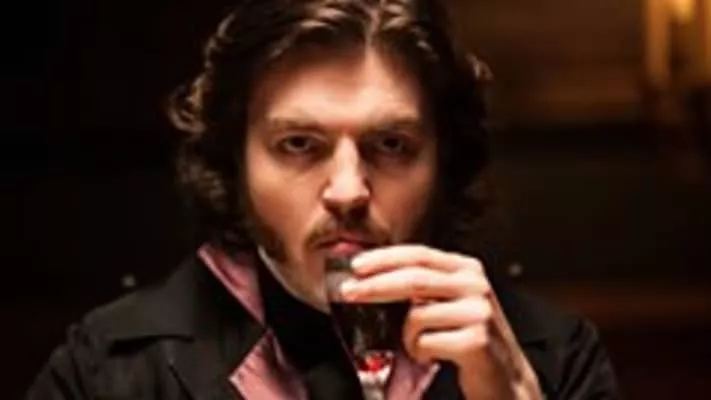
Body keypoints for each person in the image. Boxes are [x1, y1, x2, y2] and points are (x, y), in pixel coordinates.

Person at [27, 0, 620, 398]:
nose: (347, 192)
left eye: (391, 144)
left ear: (445, 161)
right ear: (235, 161)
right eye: (298, 144)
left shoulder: (555, 359)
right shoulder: (108, 370)